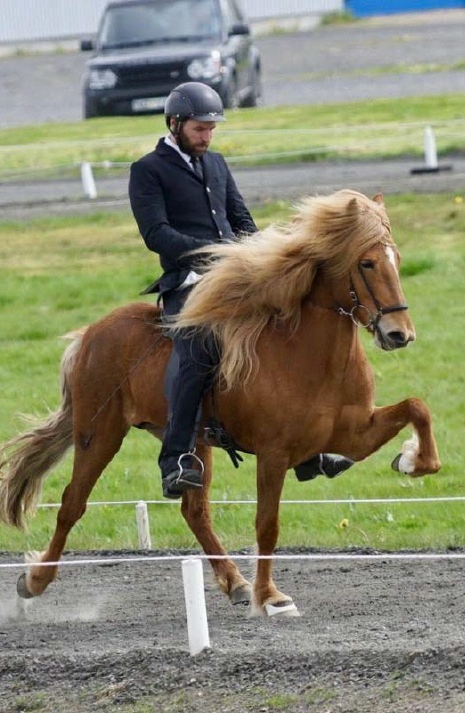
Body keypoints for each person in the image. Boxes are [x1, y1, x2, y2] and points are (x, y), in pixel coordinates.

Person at [129, 81, 353, 499]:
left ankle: (307, 450)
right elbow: (156, 234)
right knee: (196, 353)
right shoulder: (147, 170)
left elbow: (241, 218)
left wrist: (260, 254)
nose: (207, 136)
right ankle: (176, 458)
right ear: (174, 123)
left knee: (291, 333)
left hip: (238, 276)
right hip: (190, 282)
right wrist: (215, 255)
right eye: (200, 128)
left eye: (211, 128)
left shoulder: (216, 163)